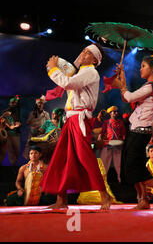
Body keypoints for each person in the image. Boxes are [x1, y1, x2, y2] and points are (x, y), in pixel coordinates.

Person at [40, 44, 113, 210]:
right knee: (63, 157)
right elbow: (70, 80)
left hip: (80, 120)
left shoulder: (90, 72)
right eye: (84, 50)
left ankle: (104, 194)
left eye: (88, 52)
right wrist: (60, 65)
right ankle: (61, 200)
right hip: (71, 119)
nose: (84, 53)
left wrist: (53, 69)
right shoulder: (81, 72)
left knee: (84, 156)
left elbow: (67, 83)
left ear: (95, 59)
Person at [112, 54, 153, 209]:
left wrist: (120, 86)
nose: (140, 69)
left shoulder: (152, 86)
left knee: (133, 167)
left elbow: (129, 96)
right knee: (130, 166)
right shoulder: (148, 87)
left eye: (143, 66)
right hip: (135, 130)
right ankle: (143, 200)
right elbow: (128, 97)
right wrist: (122, 77)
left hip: (140, 131)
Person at [99, 105, 126, 183]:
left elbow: (123, 134)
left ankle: (119, 178)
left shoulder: (120, 122)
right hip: (108, 145)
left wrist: (123, 142)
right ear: (110, 113)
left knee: (118, 163)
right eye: (114, 112)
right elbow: (102, 133)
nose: (116, 113)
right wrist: (100, 138)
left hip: (118, 145)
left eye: (116, 112)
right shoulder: (106, 123)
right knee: (104, 163)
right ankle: (103, 180)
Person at [22, 96, 50, 160]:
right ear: (36, 104)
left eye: (41, 103)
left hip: (42, 133)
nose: (39, 105)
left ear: (43, 104)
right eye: (38, 103)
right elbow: (28, 122)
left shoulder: (46, 114)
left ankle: (42, 159)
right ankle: (28, 159)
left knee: (42, 146)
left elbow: (48, 123)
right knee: (29, 145)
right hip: (33, 132)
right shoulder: (32, 113)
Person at [0, 96, 22, 166]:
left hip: (16, 134)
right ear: (10, 103)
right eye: (12, 103)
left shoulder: (17, 112)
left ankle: (14, 164)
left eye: (15, 103)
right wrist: (8, 125)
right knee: (10, 151)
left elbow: (20, 122)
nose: (14, 104)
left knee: (17, 150)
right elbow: (1, 120)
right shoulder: (5, 112)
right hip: (8, 134)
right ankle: (13, 165)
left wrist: (18, 124)